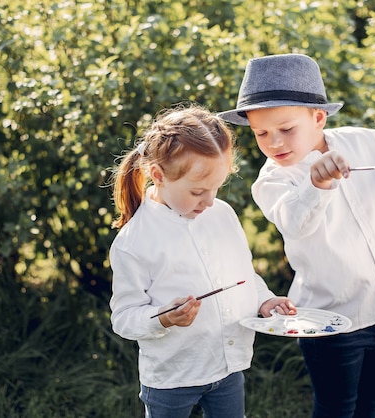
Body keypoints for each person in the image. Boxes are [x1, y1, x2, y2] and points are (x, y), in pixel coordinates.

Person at [218, 54, 375, 418]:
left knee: (371, 403)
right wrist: (316, 184)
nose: (273, 142)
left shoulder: (368, 142)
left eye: (285, 129)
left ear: (318, 117)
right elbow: (294, 222)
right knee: (336, 408)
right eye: (261, 134)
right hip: (329, 321)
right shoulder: (273, 180)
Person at [109, 103, 296, 418]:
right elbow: (124, 319)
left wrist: (263, 300)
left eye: (216, 188)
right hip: (172, 378)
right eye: (198, 191)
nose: (210, 201)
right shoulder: (134, 242)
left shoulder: (221, 213)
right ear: (159, 176)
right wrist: (163, 317)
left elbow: (242, 276)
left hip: (227, 367)